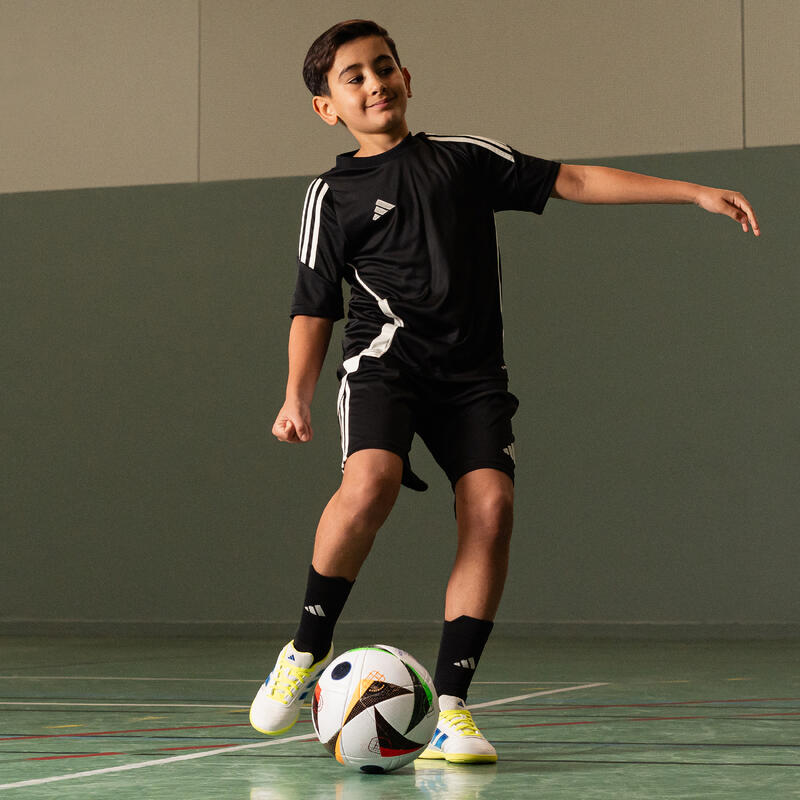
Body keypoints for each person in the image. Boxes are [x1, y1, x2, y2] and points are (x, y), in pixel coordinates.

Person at [249, 19, 760, 764]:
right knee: (370, 485)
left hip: (472, 378)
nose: (373, 83)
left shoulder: (464, 159)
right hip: (385, 364)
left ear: (408, 78)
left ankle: (451, 708)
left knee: (492, 508)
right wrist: (295, 394)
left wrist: (692, 192)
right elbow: (312, 306)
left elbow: (573, 179)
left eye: (383, 66)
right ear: (328, 108)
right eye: (351, 78)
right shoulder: (332, 195)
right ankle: (303, 650)